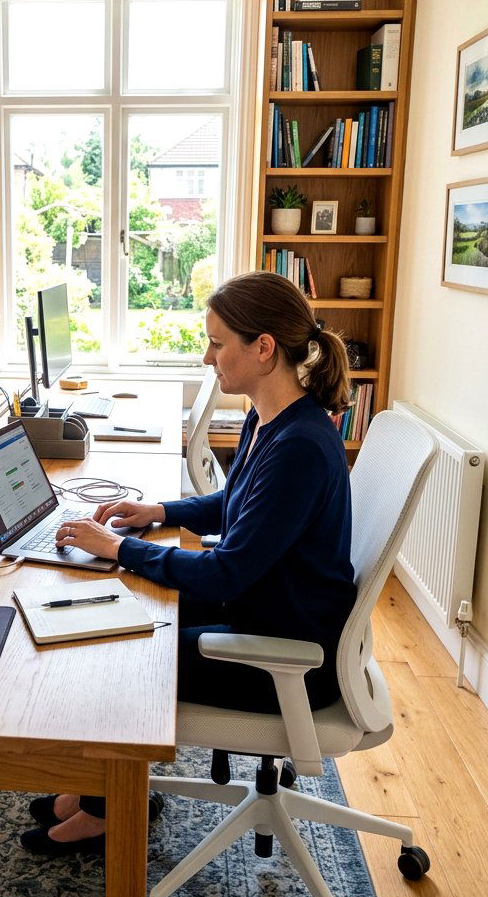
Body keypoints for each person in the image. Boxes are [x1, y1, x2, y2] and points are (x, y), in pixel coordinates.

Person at [20, 270, 359, 857]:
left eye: (218, 343)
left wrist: (120, 547)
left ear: (263, 348)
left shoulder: (300, 448)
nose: (207, 357)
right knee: (121, 604)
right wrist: (155, 510)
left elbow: (225, 571)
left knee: (128, 650)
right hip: (265, 604)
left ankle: (109, 808)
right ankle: (107, 787)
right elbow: (235, 504)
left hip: (286, 651)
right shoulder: (271, 418)